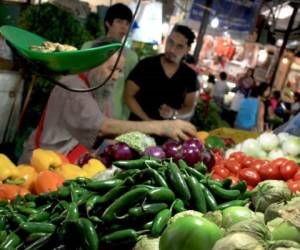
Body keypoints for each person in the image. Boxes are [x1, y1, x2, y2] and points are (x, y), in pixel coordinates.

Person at [19, 39, 197, 164]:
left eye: (120, 71)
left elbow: (110, 135)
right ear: (93, 63)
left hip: (69, 162)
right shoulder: (73, 86)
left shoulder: (101, 91)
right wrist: (161, 127)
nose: (116, 77)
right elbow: (102, 128)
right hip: (42, 164)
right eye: (112, 69)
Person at [124, 24, 199, 121]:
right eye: (170, 42)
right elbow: (128, 95)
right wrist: (148, 121)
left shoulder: (190, 76)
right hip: (138, 128)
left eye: (179, 46)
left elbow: (189, 107)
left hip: (168, 132)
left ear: (187, 50)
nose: (172, 49)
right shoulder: (146, 65)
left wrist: (174, 113)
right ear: (166, 40)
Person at [82, 3, 138, 120]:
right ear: (108, 23)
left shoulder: (131, 57)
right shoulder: (89, 47)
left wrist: (123, 118)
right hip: (86, 111)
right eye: (119, 21)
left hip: (114, 116)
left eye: (127, 23)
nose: (124, 27)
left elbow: (129, 92)